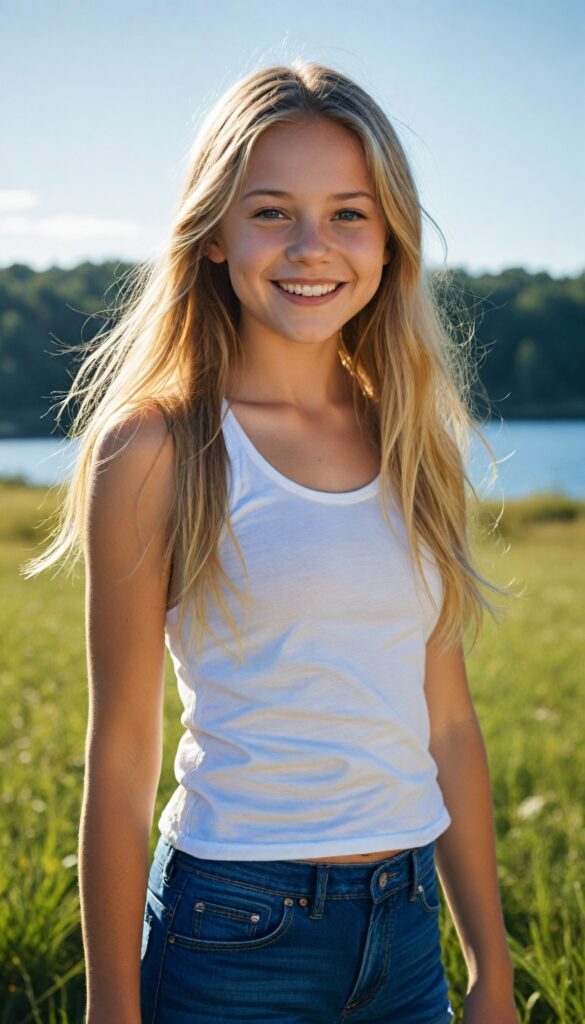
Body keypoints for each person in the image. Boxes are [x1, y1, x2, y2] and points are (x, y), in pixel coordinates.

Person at [23, 61, 520, 1023]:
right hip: (234, 933)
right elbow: (122, 752)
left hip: (407, 928)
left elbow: (448, 726)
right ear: (212, 234)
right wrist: (110, 1007)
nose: (310, 246)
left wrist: (489, 972)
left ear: (388, 239)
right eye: (269, 211)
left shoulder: (416, 444)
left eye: (347, 213)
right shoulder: (160, 445)